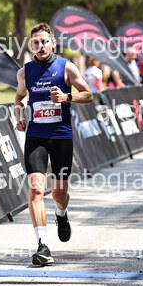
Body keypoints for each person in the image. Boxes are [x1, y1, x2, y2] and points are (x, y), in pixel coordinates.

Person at [14, 22, 93, 266]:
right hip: (36, 136)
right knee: (36, 189)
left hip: (61, 137)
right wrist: (19, 113)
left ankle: (61, 212)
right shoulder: (24, 72)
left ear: (53, 43)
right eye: (35, 42)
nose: (40, 46)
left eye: (44, 41)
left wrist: (66, 97)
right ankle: (42, 245)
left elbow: (88, 94)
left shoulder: (66, 67)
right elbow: (19, 97)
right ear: (31, 45)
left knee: (59, 193)